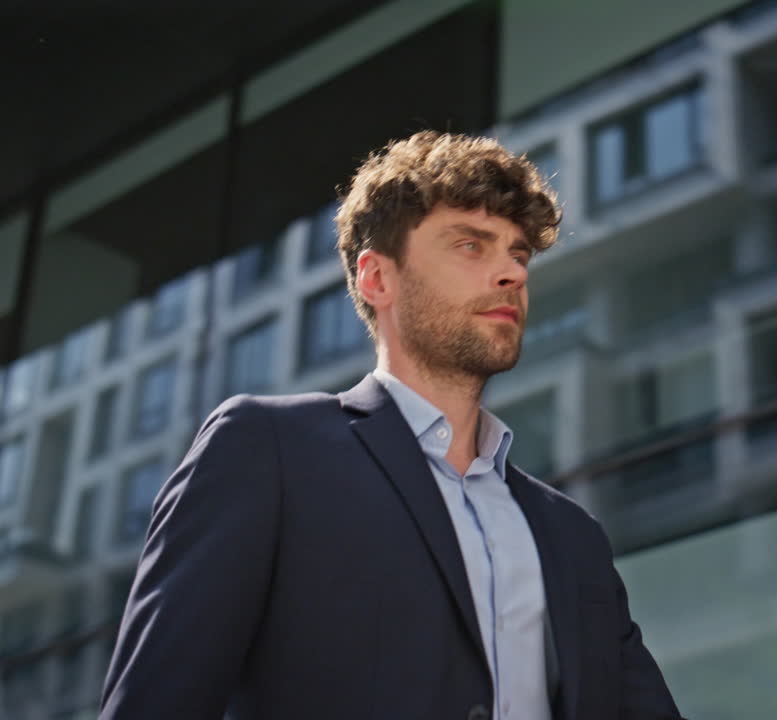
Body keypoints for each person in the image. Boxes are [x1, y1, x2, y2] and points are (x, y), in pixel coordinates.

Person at [100, 131, 684, 720]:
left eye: (518, 254)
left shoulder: (571, 534)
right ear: (377, 278)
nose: (511, 273)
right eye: (471, 246)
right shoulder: (268, 452)